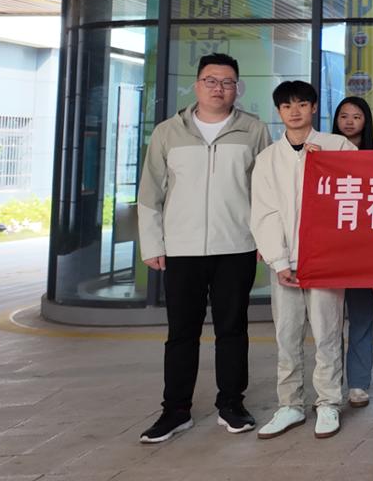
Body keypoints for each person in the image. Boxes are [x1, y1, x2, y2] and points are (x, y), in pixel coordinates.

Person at [137, 53, 272, 443]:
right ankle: (175, 410)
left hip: (236, 246)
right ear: (197, 85)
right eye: (211, 80)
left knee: (233, 330)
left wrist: (265, 239)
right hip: (181, 248)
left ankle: (231, 404)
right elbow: (150, 192)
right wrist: (153, 243)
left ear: (237, 88)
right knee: (182, 332)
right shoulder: (168, 132)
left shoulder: (253, 129)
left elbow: (265, 191)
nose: (219, 88)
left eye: (228, 82)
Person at [250, 81, 357, 439]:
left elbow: (356, 193)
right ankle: (290, 404)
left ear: (313, 107)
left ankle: (328, 402)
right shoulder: (268, 158)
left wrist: (326, 164)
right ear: (279, 111)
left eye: (301, 104)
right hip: (285, 262)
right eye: (286, 106)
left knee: (327, 333)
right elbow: (264, 213)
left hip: (325, 259)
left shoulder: (337, 146)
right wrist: (279, 260)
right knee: (287, 335)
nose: (294, 112)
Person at [330, 96, 373, 409]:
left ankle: (359, 383)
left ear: (366, 121)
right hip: (330, 248)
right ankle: (330, 383)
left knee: (361, 317)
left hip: (363, 250)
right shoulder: (321, 153)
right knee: (329, 321)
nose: (349, 121)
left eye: (356, 116)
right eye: (344, 115)